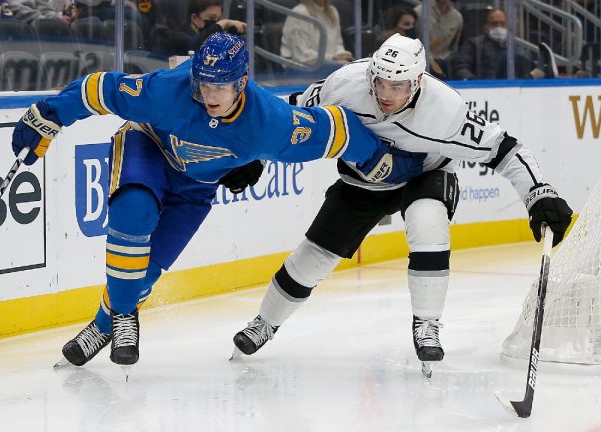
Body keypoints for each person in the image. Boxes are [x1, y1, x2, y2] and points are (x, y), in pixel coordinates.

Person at [10, 32, 427, 368]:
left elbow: (336, 129)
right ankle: (123, 317)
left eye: (220, 86)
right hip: (148, 148)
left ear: (241, 83)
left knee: (146, 270)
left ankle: (103, 325)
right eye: (203, 83)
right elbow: (99, 89)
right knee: (131, 211)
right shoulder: (167, 89)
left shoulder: (270, 123)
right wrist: (48, 114)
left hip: (195, 189)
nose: (209, 94)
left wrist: (386, 162)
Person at [231, 34, 573, 377]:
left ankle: (427, 324)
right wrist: (257, 156)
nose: (385, 94)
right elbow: (292, 113)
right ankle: (265, 322)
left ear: (418, 81)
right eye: (380, 82)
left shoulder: (445, 110)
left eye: (398, 86)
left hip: (426, 173)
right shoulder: (345, 83)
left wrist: (539, 194)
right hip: (363, 179)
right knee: (314, 255)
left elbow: (506, 150)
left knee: (428, 224)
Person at [452, 9, 549, 80]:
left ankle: (543, 70)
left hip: (510, 88)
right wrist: (474, 82)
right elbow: (461, 67)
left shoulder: (513, 48)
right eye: (495, 23)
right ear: (487, 27)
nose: (499, 27)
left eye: (503, 24)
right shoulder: (473, 44)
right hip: (483, 88)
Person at [280, 0, 353, 66]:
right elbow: (301, 55)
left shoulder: (333, 11)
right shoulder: (300, 12)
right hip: (300, 67)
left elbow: (338, 44)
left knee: (355, 68)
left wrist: (342, 55)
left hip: (329, 64)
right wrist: (333, 58)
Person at [160, 0, 246, 56]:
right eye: (212, 18)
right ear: (195, 18)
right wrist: (223, 23)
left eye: (218, 20)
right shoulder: (177, 37)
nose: (215, 23)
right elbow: (196, 45)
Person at [413, 0, 462, 78]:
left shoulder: (457, 17)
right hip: (421, 64)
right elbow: (412, 43)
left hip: (445, 66)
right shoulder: (419, 12)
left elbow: (454, 46)